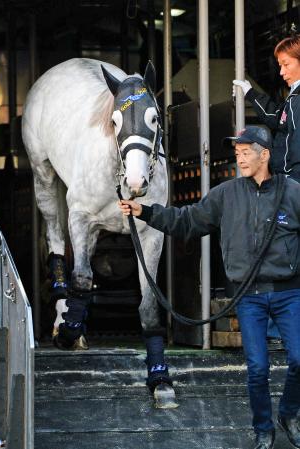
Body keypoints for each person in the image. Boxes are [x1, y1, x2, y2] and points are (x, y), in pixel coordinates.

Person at [118, 126, 300, 449]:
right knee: (257, 368)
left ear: (265, 155)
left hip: (289, 293)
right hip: (248, 297)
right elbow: (186, 220)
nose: (240, 159)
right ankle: (263, 429)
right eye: (237, 153)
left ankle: (289, 413)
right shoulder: (226, 194)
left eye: (246, 153)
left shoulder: (293, 193)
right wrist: (144, 212)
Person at [233, 34, 300, 183]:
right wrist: (250, 93)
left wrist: (294, 186)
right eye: (280, 65)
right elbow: (276, 118)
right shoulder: (294, 96)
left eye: (286, 64)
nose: (282, 72)